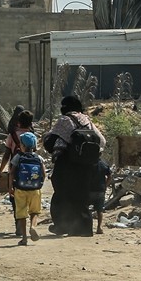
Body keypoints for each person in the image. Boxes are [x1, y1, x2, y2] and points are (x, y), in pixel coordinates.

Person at [42, 95, 106, 237]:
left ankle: (61, 226)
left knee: (61, 195)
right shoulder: (87, 121)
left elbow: (51, 142)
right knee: (81, 197)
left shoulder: (65, 120)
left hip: (66, 165)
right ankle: (83, 229)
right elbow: (102, 141)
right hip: (86, 166)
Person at [9, 131, 45, 246]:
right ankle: (33, 226)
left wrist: (10, 187)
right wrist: (40, 184)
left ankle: (24, 238)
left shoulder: (18, 157)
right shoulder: (38, 158)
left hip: (20, 189)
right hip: (35, 190)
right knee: (34, 211)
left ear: (22, 145)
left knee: (22, 214)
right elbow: (43, 173)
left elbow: (11, 173)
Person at [90, 158, 113, 235]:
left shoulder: (88, 163)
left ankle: (87, 227)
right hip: (100, 190)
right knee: (99, 210)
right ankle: (99, 227)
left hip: (89, 190)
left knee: (85, 208)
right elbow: (110, 177)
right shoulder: (104, 164)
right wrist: (105, 186)